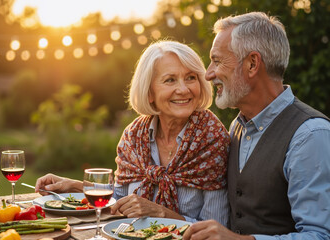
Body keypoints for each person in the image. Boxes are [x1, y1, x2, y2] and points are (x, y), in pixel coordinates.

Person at [35, 40, 231, 224]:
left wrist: (161, 214)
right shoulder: (134, 136)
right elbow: (119, 200)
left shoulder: (211, 138)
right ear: (149, 92)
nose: (183, 89)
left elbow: (215, 229)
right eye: (170, 80)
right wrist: (76, 186)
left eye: (190, 78)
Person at [183, 12, 330, 240]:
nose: (208, 73)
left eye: (217, 60)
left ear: (252, 64)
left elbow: (320, 236)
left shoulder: (311, 135)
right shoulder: (236, 127)